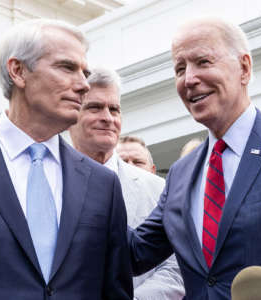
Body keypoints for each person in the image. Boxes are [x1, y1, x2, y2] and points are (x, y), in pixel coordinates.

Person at [0, 19, 132, 300]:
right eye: (67, 67)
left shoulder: (103, 183)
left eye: (85, 72)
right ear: (18, 71)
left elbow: (114, 290)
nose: (83, 85)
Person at [128, 16, 261, 299]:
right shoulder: (180, 174)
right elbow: (134, 253)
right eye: (179, 69)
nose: (189, 79)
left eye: (203, 62)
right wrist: (83, 174)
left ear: (244, 68)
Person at [69, 67, 184, 300]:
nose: (108, 117)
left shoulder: (157, 188)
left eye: (114, 109)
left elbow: (176, 266)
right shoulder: (49, 183)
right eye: (94, 107)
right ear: (71, 116)